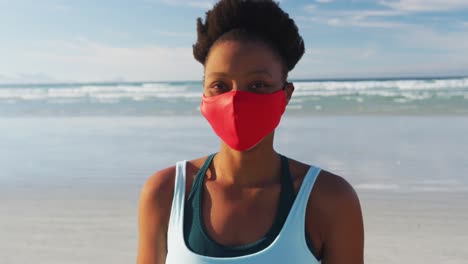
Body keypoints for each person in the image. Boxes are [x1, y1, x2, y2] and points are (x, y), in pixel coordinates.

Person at [137, 0, 364, 263]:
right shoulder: (167, 192)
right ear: (203, 95)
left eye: (257, 84)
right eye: (220, 85)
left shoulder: (329, 199)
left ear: (286, 94)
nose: (235, 100)